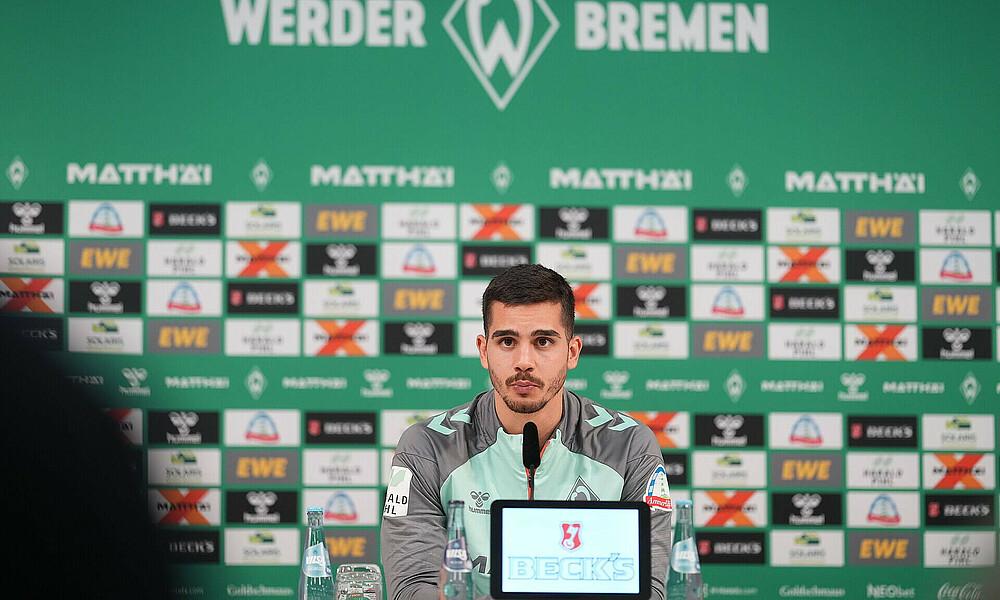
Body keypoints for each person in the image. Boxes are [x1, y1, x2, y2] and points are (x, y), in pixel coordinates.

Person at [381, 264, 672, 600]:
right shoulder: (427, 447)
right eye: (507, 341)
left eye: (543, 341)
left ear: (572, 352)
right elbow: (413, 588)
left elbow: (647, 589)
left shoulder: (629, 445)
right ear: (483, 350)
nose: (524, 361)